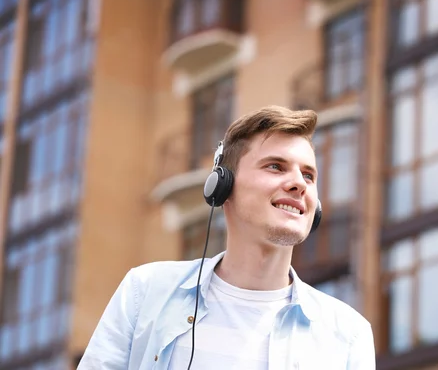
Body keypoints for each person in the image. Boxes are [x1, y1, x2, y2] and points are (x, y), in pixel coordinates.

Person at [77, 106, 375, 369]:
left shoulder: (348, 334)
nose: (299, 183)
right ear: (222, 187)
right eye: (276, 166)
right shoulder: (145, 293)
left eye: (309, 175)